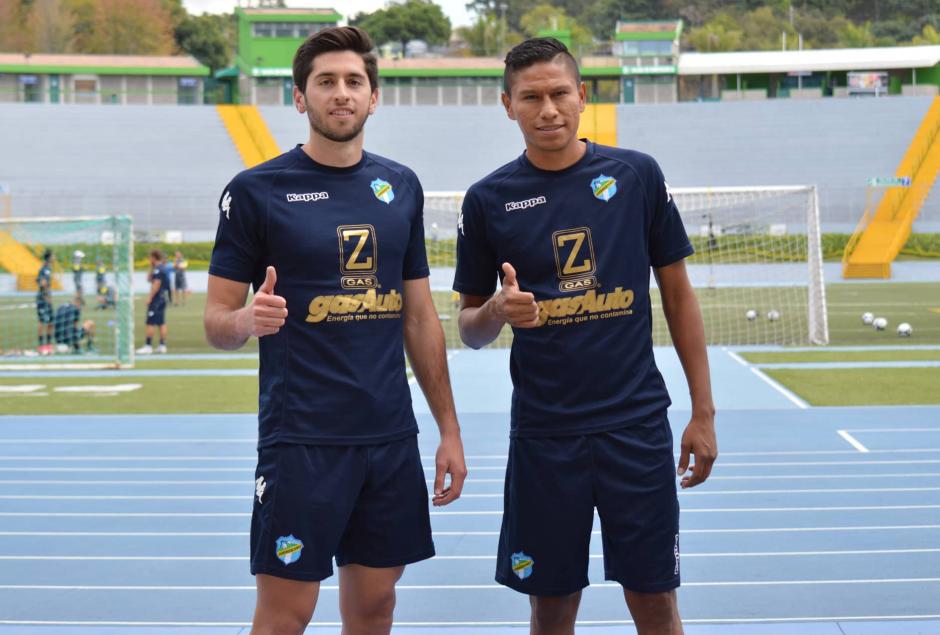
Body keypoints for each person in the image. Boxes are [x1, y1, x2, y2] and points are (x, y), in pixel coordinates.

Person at [203, 26, 467, 635]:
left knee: (376, 607)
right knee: (285, 614)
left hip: (389, 439)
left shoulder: (400, 186)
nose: (341, 93)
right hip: (302, 441)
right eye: (326, 82)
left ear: (374, 98)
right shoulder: (254, 192)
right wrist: (245, 320)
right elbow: (217, 321)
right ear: (301, 97)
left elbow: (420, 315)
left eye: (354, 82)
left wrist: (448, 429)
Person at [454, 38, 718, 635]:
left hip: (636, 427)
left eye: (558, 94)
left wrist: (703, 412)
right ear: (507, 105)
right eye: (531, 97)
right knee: (550, 608)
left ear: (582, 96)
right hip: (546, 436)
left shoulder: (636, 175)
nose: (547, 109)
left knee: (654, 602)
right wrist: (496, 309)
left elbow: (678, 295)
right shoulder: (488, 200)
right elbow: (468, 330)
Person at [137, 249, 170, 354]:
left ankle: (148, 345)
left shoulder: (158, 270)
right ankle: (162, 345)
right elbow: (148, 279)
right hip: (162, 299)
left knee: (150, 322)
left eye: (150, 257)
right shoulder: (159, 268)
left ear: (153, 258)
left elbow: (156, 285)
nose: (148, 259)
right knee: (161, 322)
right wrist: (151, 267)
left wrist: (149, 298)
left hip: (157, 299)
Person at [35, 249, 55, 355]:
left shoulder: (49, 268)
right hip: (42, 299)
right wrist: (47, 295)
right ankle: (41, 345)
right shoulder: (44, 269)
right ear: (49, 257)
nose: (54, 258)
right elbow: (42, 283)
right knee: (42, 322)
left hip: (46, 298)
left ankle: (48, 344)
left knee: (51, 322)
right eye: (53, 256)